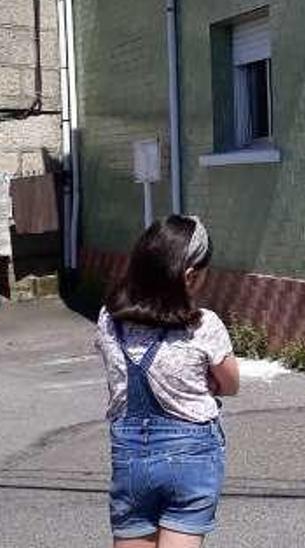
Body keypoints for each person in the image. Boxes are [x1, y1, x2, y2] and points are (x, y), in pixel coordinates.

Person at [95, 215, 240, 548]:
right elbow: (231, 384)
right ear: (189, 276)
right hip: (192, 454)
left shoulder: (109, 320)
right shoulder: (204, 325)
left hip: (129, 456)